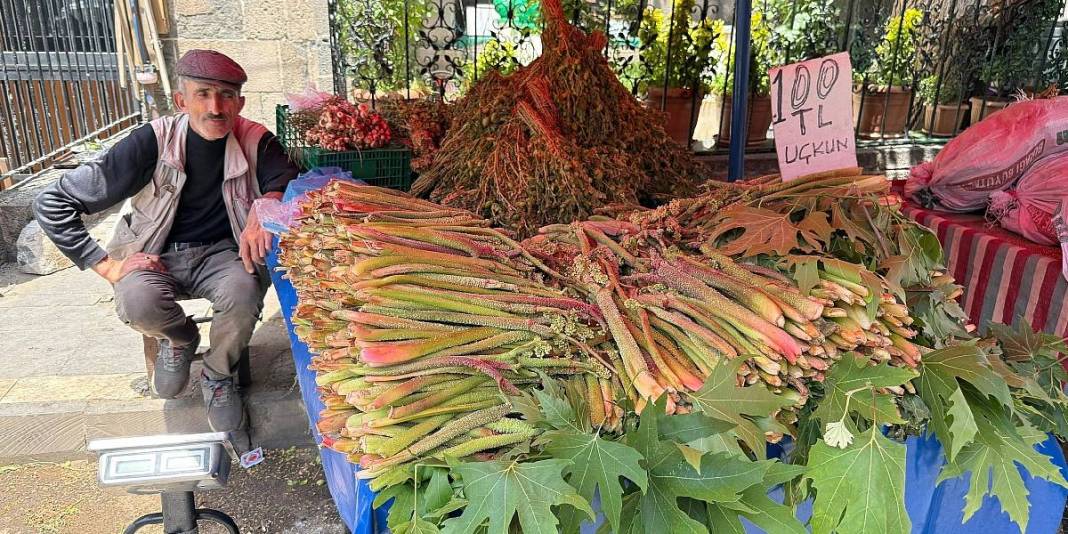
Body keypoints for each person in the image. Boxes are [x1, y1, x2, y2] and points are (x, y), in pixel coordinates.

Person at [34, 50, 300, 431]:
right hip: (154, 254)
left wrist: (267, 207)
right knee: (137, 300)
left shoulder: (255, 138)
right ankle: (179, 338)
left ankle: (218, 374)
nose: (216, 107)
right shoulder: (152, 142)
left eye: (227, 96)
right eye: (203, 94)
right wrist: (108, 266)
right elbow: (54, 201)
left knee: (245, 292)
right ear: (181, 100)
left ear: (240, 103)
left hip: (222, 255)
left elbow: (288, 181)